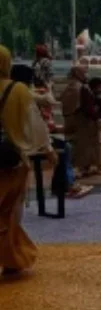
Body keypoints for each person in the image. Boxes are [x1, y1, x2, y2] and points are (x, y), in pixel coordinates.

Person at [0, 45, 55, 277]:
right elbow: (33, 124)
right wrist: (48, 149)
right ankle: (11, 259)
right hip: (8, 160)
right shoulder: (17, 90)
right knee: (9, 210)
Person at [10, 64, 90, 198]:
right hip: (23, 141)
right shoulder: (21, 91)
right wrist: (48, 87)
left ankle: (62, 185)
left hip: (12, 138)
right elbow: (49, 101)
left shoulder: (8, 88)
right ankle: (66, 185)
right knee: (65, 148)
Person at [59, 65, 101, 177]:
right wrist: (97, 118)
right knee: (83, 146)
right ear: (78, 74)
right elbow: (87, 106)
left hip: (69, 117)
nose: (86, 75)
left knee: (74, 145)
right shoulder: (81, 88)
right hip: (81, 120)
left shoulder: (68, 87)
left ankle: (79, 167)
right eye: (84, 73)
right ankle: (81, 168)